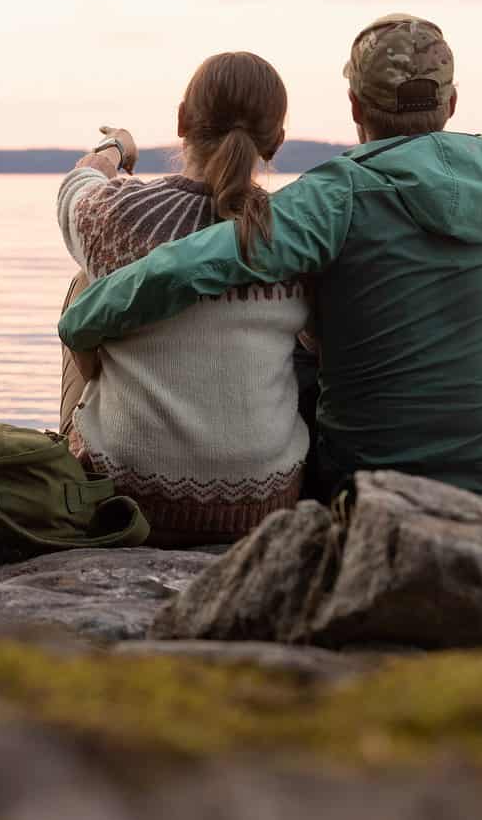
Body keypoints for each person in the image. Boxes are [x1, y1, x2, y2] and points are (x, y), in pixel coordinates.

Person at [59, 15, 482, 514]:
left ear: (355, 105)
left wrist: (84, 315)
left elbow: (188, 266)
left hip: (359, 487)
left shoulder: (335, 196)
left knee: (312, 294)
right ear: (451, 103)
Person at [55, 51, 311, 544]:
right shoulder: (296, 235)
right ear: (275, 142)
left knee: (87, 284)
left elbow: (76, 186)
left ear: (181, 121)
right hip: (265, 502)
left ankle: (77, 451)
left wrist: (114, 149)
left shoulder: (119, 214)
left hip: (126, 496)